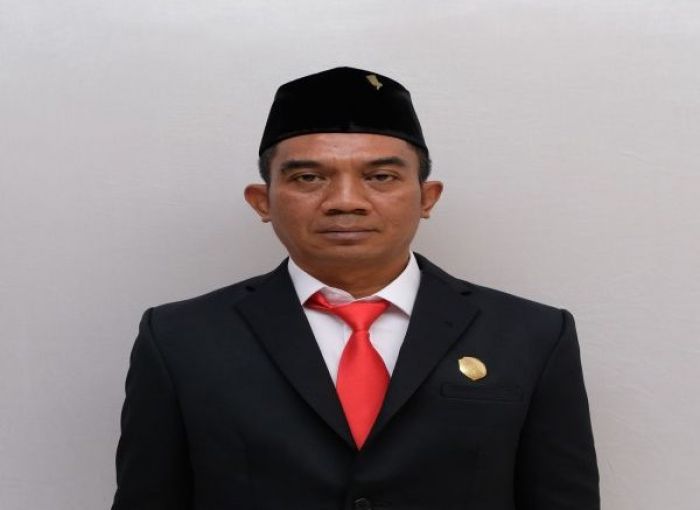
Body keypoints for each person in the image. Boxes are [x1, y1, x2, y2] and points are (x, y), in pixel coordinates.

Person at [111, 66, 600, 510]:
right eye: (309, 177)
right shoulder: (180, 339)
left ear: (427, 197)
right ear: (263, 201)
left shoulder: (532, 335)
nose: (346, 201)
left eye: (380, 176)